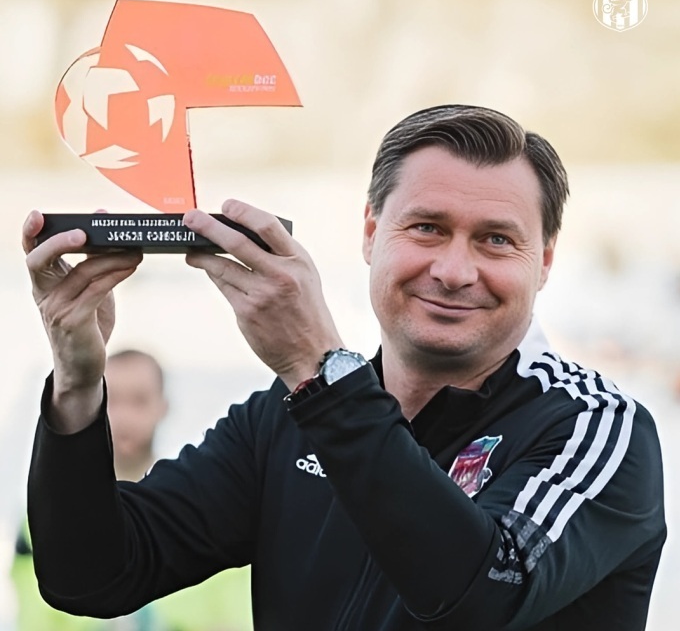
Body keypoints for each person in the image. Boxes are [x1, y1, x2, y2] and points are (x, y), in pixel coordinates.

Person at [22, 104, 666, 630]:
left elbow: (479, 595)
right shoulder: (288, 415)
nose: (454, 270)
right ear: (370, 233)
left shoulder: (597, 428)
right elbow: (90, 576)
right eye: (427, 228)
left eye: (496, 239)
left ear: (544, 261)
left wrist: (317, 368)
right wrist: (77, 388)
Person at [12, 350, 253, 631]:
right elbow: (33, 619)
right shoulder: (46, 516)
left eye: (139, 400)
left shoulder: (209, 502)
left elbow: (236, 614)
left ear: (162, 407)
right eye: (113, 400)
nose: (125, 416)